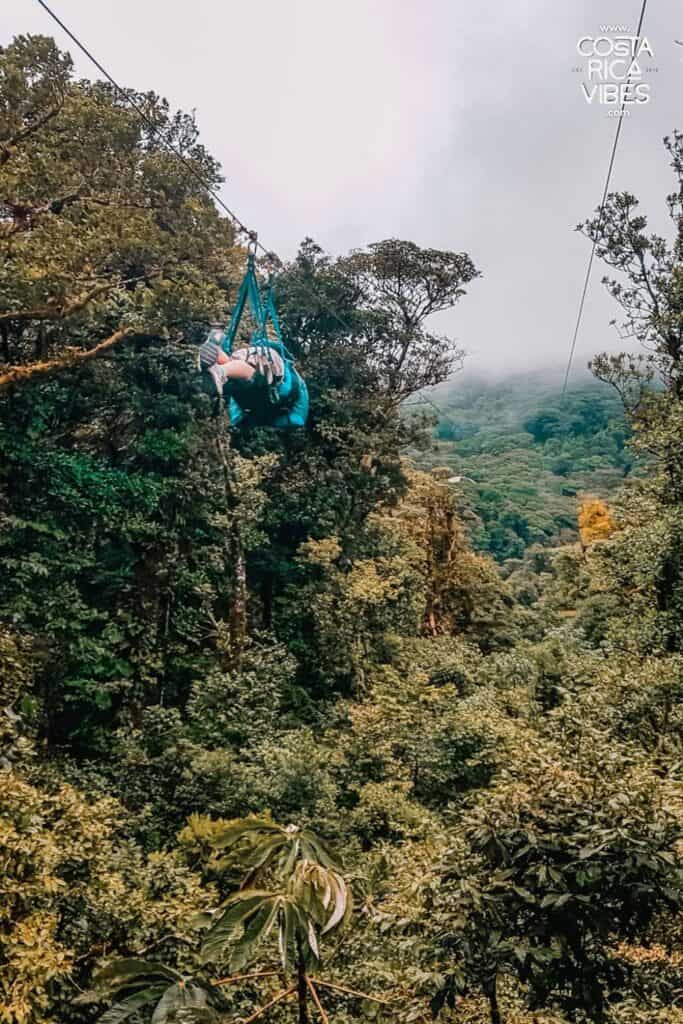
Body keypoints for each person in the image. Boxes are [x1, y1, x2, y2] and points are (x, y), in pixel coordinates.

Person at [198, 328, 308, 428]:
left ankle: (216, 354)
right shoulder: (295, 397)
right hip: (275, 376)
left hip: (262, 361)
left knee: (237, 369)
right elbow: (297, 420)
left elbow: (236, 417)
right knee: (253, 376)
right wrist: (269, 422)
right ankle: (220, 369)